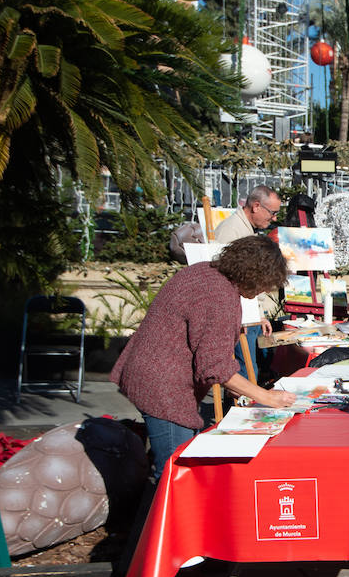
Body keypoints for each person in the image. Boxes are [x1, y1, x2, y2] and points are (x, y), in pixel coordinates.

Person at [111, 235, 297, 484]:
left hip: (152, 374)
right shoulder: (219, 294)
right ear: (255, 274)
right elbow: (214, 366)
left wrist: (241, 389)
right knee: (174, 474)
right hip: (163, 388)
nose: (263, 291)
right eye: (265, 284)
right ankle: (154, 523)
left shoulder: (206, 272)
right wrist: (265, 396)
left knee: (174, 465)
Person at [213, 185, 283, 382]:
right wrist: (251, 316)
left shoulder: (246, 230)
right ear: (256, 206)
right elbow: (228, 280)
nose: (274, 218)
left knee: (250, 370)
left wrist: (258, 315)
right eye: (272, 213)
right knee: (245, 372)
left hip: (246, 314)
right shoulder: (232, 230)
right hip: (238, 316)